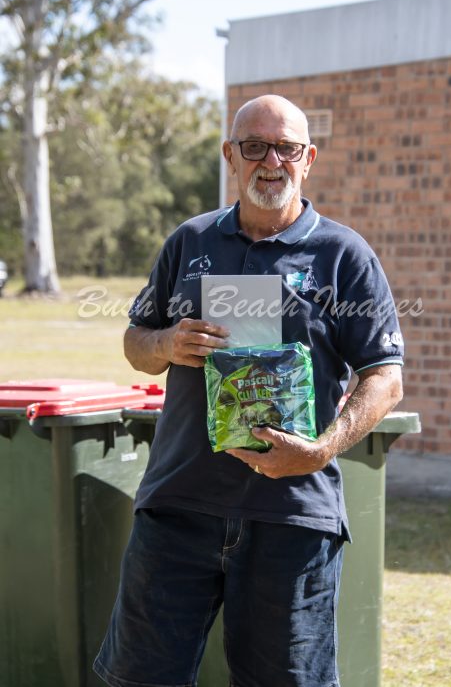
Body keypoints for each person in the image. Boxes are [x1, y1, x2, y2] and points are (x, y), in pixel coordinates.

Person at [94, 94, 404, 687]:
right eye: (255, 146)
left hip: (292, 515)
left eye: (286, 148)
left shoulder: (343, 255)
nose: (271, 162)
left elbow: (385, 377)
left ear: (308, 158)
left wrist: (319, 451)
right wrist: (167, 343)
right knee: (139, 678)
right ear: (230, 155)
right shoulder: (190, 241)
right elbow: (136, 341)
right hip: (178, 506)